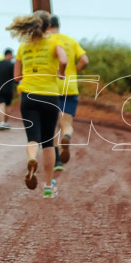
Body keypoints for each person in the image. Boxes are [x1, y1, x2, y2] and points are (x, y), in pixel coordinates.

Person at [7, 10, 67, 198]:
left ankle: (32, 158)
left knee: (33, 138)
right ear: (48, 27)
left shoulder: (23, 47)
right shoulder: (54, 42)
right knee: (48, 142)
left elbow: (17, 76)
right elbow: (64, 59)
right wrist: (61, 72)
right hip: (50, 96)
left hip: (29, 97)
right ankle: (48, 186)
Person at [48, 15, 89, 168]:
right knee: (66, 123)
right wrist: (75, 71)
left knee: (51, 126)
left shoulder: (48, 42)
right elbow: (85, 60)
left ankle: (57, 160)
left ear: (47, 26)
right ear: (59, 25)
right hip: (70, 86)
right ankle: (67, 136)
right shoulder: (71, 41)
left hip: (51, 88)